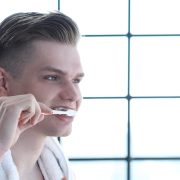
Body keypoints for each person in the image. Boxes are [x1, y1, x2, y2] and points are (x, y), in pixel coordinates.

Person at [0, 11, 84, 180]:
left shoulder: (63, 172)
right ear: (3, 83)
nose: (74, 95)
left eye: (76, 80)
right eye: (52, 77)